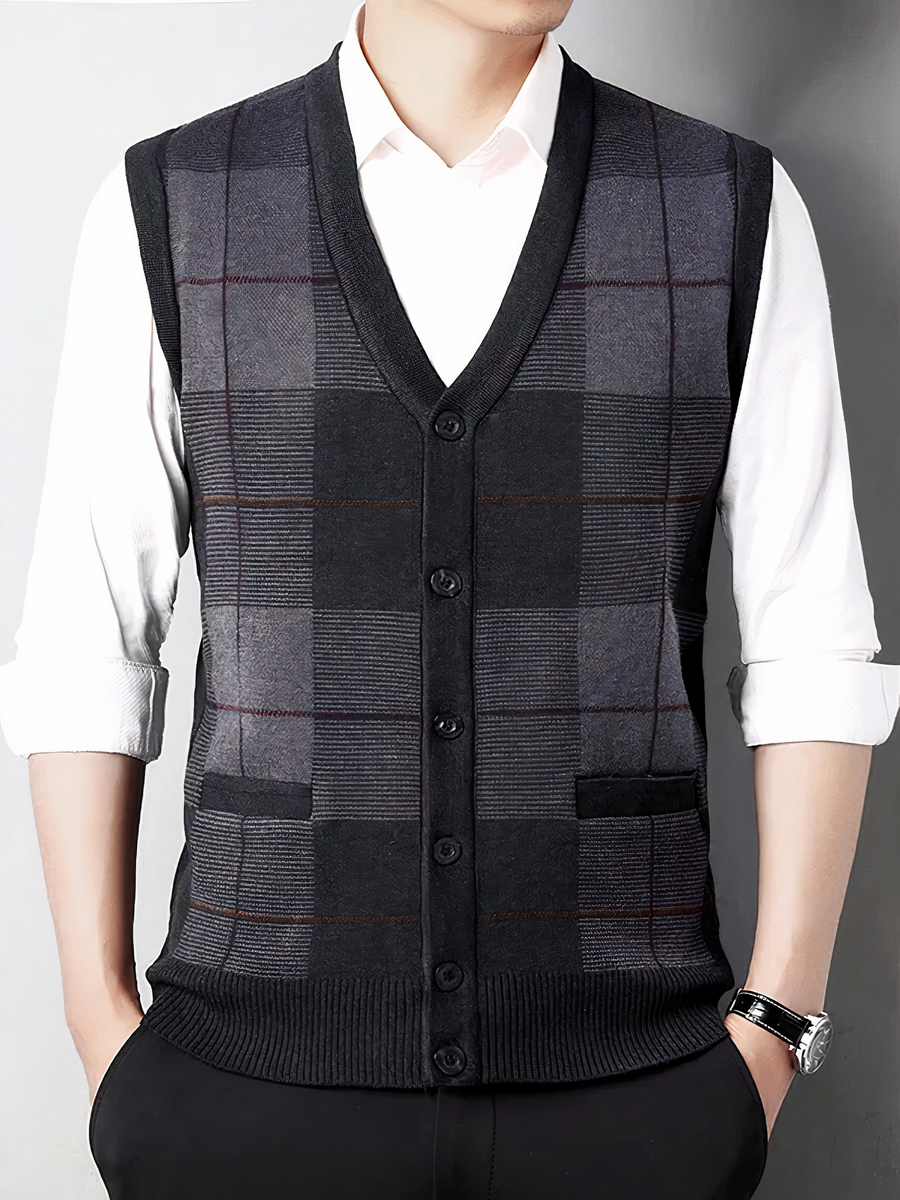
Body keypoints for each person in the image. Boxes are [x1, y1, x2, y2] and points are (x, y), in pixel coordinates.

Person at [2, 1, 897, 1197]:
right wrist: (101, 1027)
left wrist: (771, 1034)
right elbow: (88, 645)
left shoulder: (725, 204)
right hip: (241, 1084)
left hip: (636, 1089)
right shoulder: (174, 200)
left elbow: (814, 650)